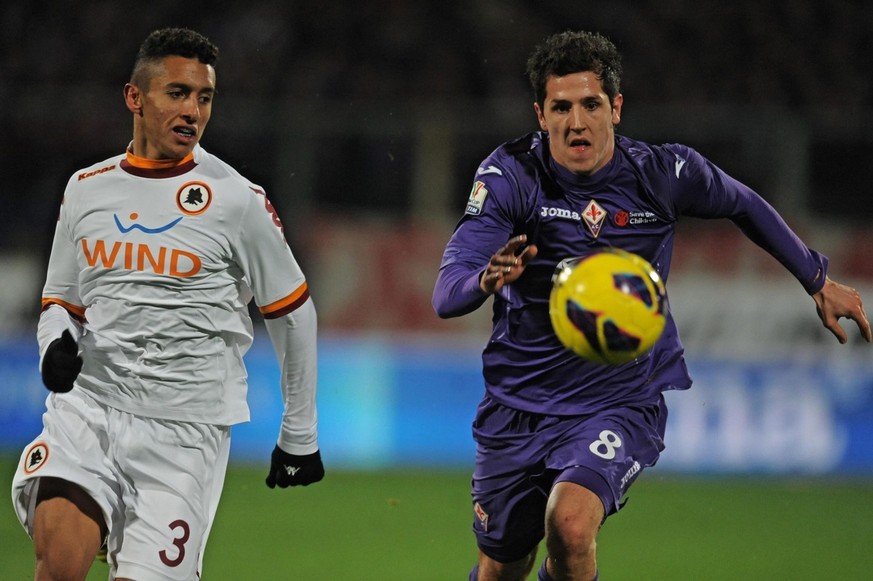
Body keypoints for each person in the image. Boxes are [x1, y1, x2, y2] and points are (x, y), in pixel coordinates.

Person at [432, 30, 871, 581]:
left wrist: (817, 277)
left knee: (569, 526)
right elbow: (446, 293)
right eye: (560, 108)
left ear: (615, 107)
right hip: (518, 407)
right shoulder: (511, 176)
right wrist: (483, 280)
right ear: (539, 115)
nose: (576, 123)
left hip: (619, 400)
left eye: (590, 105)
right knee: (501, 569)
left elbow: (744, 204)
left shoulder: (662, 173)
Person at [11, 27, 324, 580]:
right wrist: (52, 348)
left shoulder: (236, 199)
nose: (193, 111)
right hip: (89, 410)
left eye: (204, 98)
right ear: (135, 98)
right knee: (57, 564)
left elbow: (293, 314)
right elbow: (61, 301)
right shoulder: (86, 187)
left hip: (183, 432)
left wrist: (298, 434)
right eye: (177, 93)